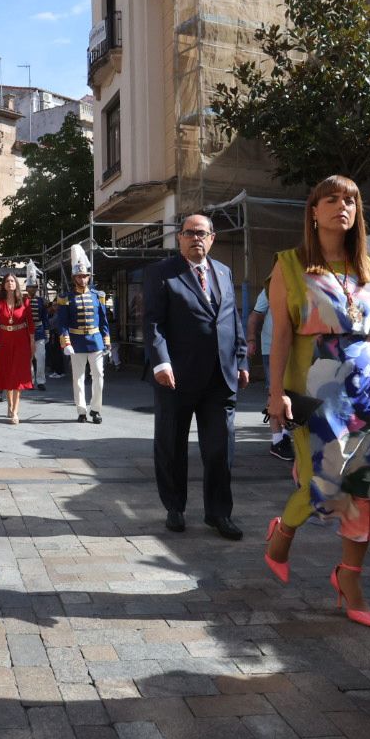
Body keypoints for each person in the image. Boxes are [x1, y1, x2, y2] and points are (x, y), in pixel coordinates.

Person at [262, 177, 370, 629]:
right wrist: (275, 395)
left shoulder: (367, 267)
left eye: (351, 200)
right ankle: (282, 533)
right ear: (314, 211)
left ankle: (350, 579)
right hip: (318, 387)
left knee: (365, 486)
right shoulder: (290, 265)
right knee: (322, 482)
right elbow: (281, 335)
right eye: (332, 199)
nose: (342, 206)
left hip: (367, 388)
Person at [144, 214, 248, 538]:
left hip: (220, 377)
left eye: (201, 233)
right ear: (179, 239)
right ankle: (174, 507)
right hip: (176, 378)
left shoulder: (224, 272)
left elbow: (233, 319)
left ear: (212, 238)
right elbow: (152, 323)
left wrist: (242, 359)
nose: (195, 238)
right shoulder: (162, 274)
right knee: (172, 445)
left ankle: (218, 514)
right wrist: (161, 363)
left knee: (220, 449)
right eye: (189, 233)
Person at [54, 245, 112, 425]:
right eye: (79, 276)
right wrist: (66, 342)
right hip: (76, 341)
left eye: (85, 276)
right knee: (78, 378)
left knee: (99, 376)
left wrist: (107, 340)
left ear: (89, 277)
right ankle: (81, 410)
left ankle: (95, 409)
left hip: (95, 341)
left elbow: (103, 321)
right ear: (74, 278)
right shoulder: (65, 297)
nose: (83, 279)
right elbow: (62, 323)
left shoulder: (98, 295)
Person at [247, 286, 291, 460]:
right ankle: (277, 440)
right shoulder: (270, 288)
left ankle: (286, 436)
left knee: (293, 393)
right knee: (275, 390)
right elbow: (254, 316)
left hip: (297, 348)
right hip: (271, 347)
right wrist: (251, 340)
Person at [0, 272, 34, 424]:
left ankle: (15, 411)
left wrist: (32, 342)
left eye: (12, 281)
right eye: (7, 281)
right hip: (4, 341)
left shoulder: (25, 301)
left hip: (21, 341)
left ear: (16, 284)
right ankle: (10, 404)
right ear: (4, 285)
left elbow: (31, 324)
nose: (10, 283)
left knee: (17, 376)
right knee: (8, 374)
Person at [26, 265, 49, 391]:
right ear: (27, 288)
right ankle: (30, 380)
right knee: (28, 358)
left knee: (41, 357)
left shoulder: (41, 301)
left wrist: (47, 332)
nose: (32, 289)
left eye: (34, 287)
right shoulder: (22, 301)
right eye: (30, 287)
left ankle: (41, 381)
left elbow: (45, 317)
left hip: (39, 331)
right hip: (26, 332)